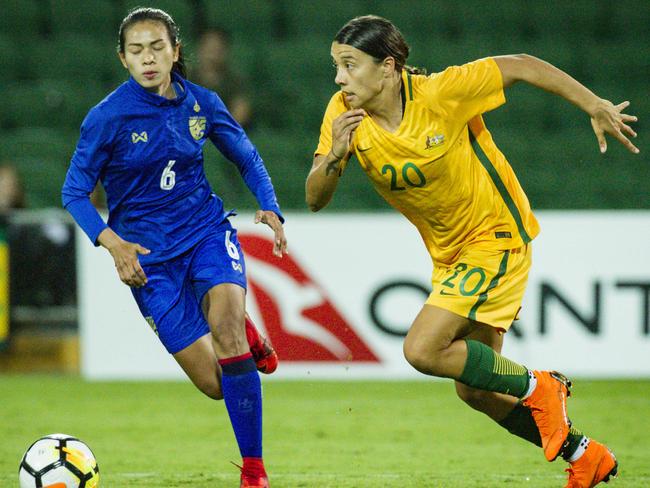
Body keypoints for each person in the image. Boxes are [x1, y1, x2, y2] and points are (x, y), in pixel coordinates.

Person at [306, 15, 639, 488]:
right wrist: (336, 154)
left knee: (421, 349)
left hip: (496, 236)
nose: (339, 77)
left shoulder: (443, 92)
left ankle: (541, 386)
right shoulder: (343, 113)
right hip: (450, 256)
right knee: (476, 390)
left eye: (349, 64)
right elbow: (314, 199)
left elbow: (523, 65)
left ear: (388, 67)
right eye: (336, 65)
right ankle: (585, 455)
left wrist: (594, 105)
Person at [62, 8, 286, 488]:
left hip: (205, 231)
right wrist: (112, 243)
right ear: (123, 59)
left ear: (175, 51)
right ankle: (247, 336)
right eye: (137, 50)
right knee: (215, 384)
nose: (148, 58)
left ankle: (254, 470)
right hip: (147, 260)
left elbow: (243, 152)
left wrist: (269, 204)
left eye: (157, 47)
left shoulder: (201, 103)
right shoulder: (107, 117)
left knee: (225, 333)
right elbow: (74, 192)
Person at [192, 27, 253, 130]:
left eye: (216, 50)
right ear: (199, 49)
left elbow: (240, 113)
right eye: (208, 49)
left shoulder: (235, 81)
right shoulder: (185, 78)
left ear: (225, 52)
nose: (211, 55)